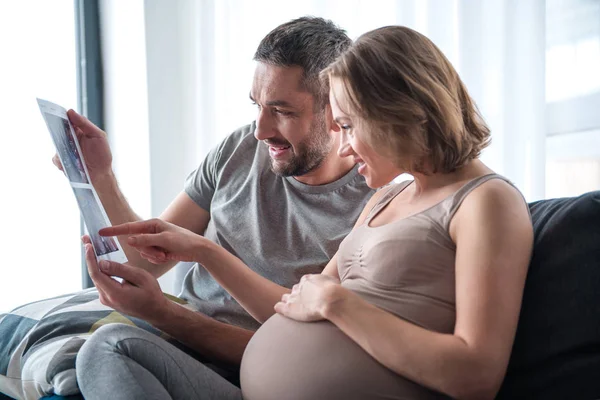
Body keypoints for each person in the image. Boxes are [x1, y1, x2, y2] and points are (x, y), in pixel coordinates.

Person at [79, 25, 534, 400]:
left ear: (400, 112)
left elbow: (476, 376)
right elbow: (290, 308)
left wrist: (337, 303)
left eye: (349, 124)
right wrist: (204, 252)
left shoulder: (485, 201)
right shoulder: (388, 198)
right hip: (260, 381)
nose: (346, 144)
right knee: (102, 345)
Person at [47, 16, 372, 391]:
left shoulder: (374, 206)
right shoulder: (239, 149)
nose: (260, 130)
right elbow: (143, 260)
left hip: (256, 373)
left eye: (282, 111)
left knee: (106, 348)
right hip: (177, 344)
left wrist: (166, 312)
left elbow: (301, 353)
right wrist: (99, 176)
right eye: (258, 106)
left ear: (337, 111)